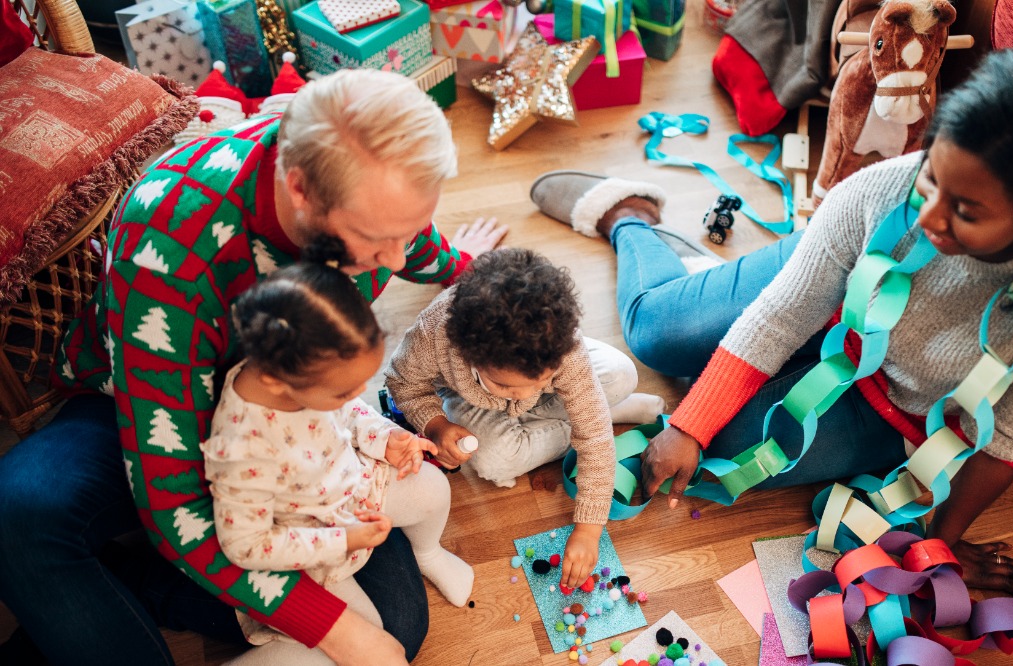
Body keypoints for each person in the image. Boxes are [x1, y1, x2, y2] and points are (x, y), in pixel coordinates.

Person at [530, 47, 1013, 594]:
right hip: (823, 298)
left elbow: (1010, 442)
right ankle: (628, 216)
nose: (927, 216)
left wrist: (944, 541)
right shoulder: (880, 194)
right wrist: (688, 423)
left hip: (897, 406)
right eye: (931, 177)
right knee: (655, 335)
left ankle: (709, 285)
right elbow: (781, 314)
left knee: (726, 456)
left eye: (965, 211)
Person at [0, 68, 507, 666]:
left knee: (397, 624)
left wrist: (474, 274)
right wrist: (338, 632)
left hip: (303, 426)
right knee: (22, 512)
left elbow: (415, 246)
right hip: (142, 407)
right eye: (376, 238)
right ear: (299, 190)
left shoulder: (364, 200)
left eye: (409, 229)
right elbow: (175, 504)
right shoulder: (166, 248)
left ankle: (138, 588)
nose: (394, 259)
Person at [203, 239, 473, 665]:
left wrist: (386, 437)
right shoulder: (242, 446)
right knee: (368, 640)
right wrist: (341, 539)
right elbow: (247, 547)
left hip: (351, 487)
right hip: (310, 546)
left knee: (432, 489)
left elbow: (351, 411)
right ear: (277, 381)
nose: (354, 394)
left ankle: (428, 553)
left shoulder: (307, 373)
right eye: (342, 389)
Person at [387, 248, 631, 589]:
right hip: (466, 399)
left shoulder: (564, 351)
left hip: (555, 380)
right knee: (494, 462)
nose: (522, 395)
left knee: (622, 375)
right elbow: (403, 382)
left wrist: (590, 529)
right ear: (471, 355)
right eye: (505, 385)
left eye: (541, 380)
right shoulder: (434, 335)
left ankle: (596, 411)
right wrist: (435, 424)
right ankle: (606, 412)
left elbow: (595, 442)